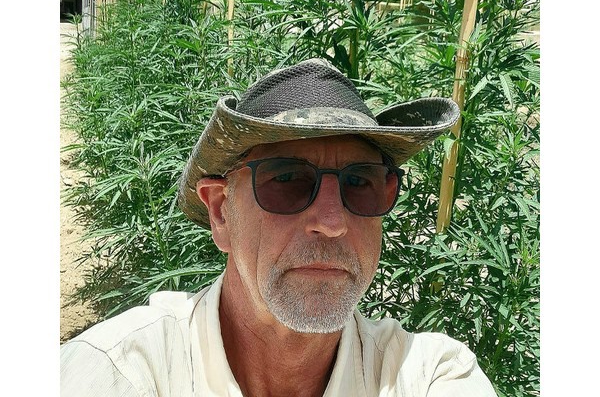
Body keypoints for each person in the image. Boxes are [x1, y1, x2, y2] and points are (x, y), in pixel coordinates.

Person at [61, 58, 498, 396]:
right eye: (288, 179)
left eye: (360, 183)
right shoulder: (121, 372)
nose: (331, 222)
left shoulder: (426, 376)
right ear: (221, 213)